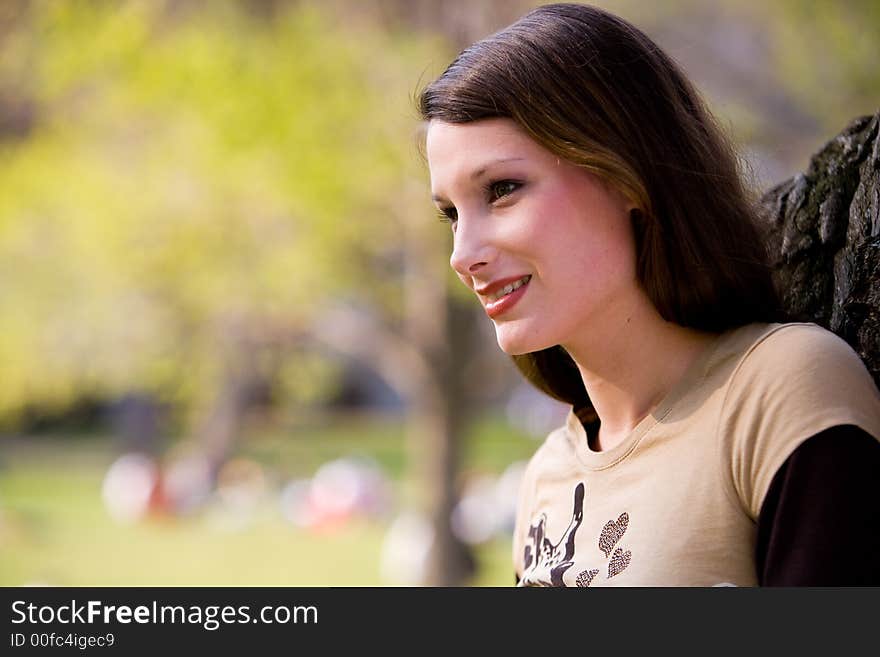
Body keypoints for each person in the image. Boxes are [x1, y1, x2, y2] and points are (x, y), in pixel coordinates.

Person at [417, 3, 880, 586]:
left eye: (502, 189)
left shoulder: (780, 390)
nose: (463, 254)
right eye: (451, 214)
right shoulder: (546, 479)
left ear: (625, 174)